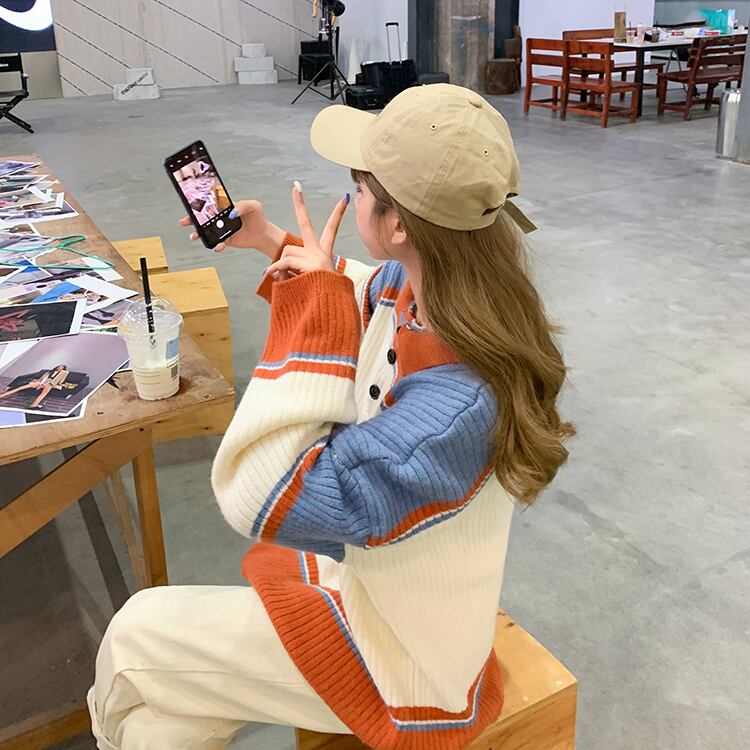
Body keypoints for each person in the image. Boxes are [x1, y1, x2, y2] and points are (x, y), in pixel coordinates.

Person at [88, 84, 575, 750]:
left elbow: (254, 494)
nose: (352, 198)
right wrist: (270, 241)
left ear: (399, 226)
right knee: (160, 727)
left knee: (135, 630)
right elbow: (359, 286)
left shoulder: (452, 411)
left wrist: (308, 315)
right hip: (388, 592)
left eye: (359, 187)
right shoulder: (443, 294)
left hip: (403, 659)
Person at [0, 363, 70, 408]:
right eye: (59, 366)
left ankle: (34, 405)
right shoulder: (49, 372)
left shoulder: (63, 374)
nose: (59, 367)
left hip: (50, 384)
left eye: (61, 366)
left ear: (63, 369)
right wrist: (40, 384)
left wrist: (43, 385)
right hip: (39, 382)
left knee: (44, 393)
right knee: (20, 388)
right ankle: (1, 395)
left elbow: (57, 382)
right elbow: (43, 378)